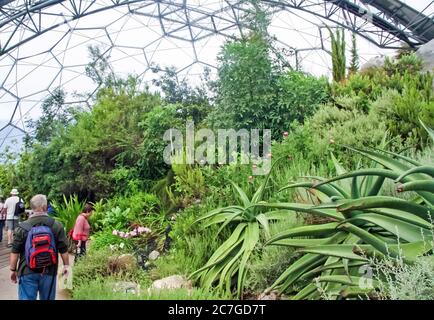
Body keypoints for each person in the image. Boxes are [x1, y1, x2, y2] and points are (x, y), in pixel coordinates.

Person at [10, 194, 70, 300]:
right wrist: (66, 266)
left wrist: (13, 270)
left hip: (26, 271)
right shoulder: (56, 225)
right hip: (49, 270)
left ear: (32, 207)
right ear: (45, 207)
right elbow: (64, 250)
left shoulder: (22, 227)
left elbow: (15, 251)